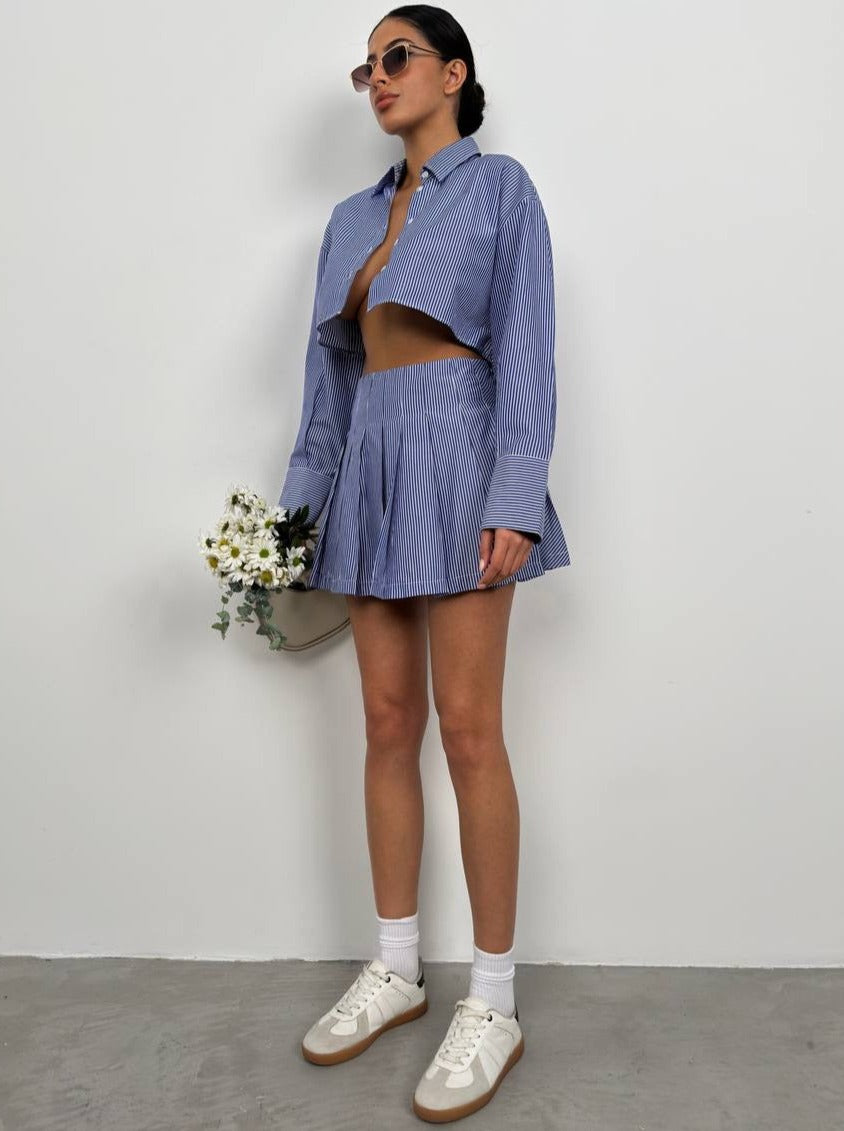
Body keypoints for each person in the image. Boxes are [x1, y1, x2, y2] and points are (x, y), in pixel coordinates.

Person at [277, 5, 571, 1122]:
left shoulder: (500, 191)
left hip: (458, 451)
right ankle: (397, 966)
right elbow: (327, 385)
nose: (379, 77)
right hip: (370, 462)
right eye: (367, 68)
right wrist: (295, 519)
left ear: (454, 72)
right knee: (387, 725)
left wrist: (515, 497)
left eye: (396, 57)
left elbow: (528, 348)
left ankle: (493, 998)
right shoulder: (349, 219)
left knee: (471, 730)